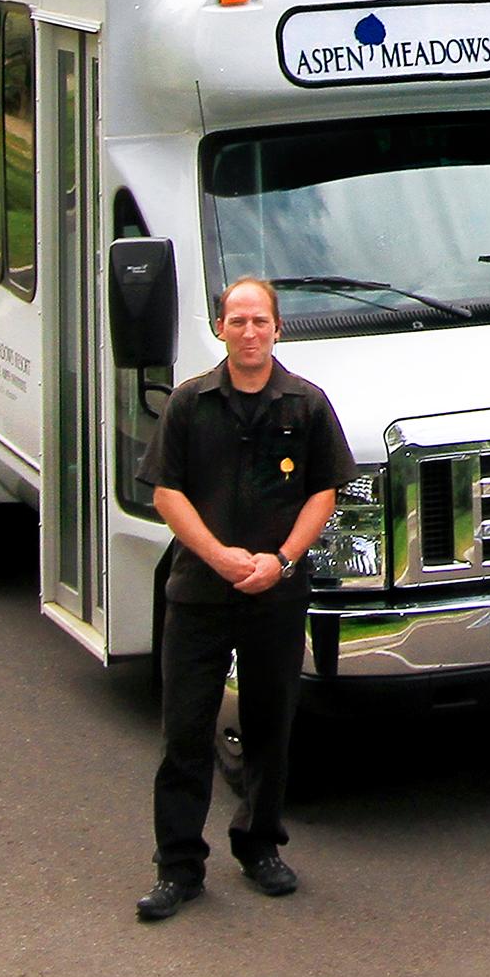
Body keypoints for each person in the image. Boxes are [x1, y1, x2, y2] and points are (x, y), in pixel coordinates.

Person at [136, 276, 345, 923]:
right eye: (237, 320)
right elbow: (167, 492)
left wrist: (280, 560)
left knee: (268, 728)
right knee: (186, 732)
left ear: (278, 329)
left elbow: (324, 492)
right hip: (200, 594)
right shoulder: (190, 403)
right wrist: (219, 555)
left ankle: (260, 846)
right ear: (221, 327)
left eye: (260, 321)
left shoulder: (307, 405)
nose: (249, 331)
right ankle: (178, 867)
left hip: (275, 597)